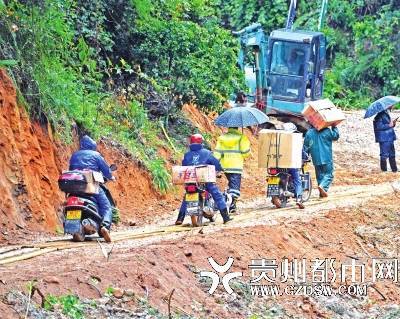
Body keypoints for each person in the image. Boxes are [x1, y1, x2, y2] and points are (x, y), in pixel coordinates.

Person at [175, 134, 231, 225]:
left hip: (191, 181)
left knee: (186, 197)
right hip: (205, 179)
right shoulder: (207, 153)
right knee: (217, 195)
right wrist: (220, 169)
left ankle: (180, 218)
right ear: (201, 142)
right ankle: (226, 217)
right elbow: (215, 163)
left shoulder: (186, 155)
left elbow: (184, 166)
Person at [69, 135, 113, 242]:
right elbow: (107, 172)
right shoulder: (96, 155)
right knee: (106, 207)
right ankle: (105, 226)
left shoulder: (74, 155)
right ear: (92, 146)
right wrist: (111, 176)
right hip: (90, 185)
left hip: (73, 187)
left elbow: (70, 169)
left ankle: (77, 226)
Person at [214, 127, 251, 213]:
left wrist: (215, 165)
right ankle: (231, 205)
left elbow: (217, 154)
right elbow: (245, 153)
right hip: (236, 166)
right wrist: (248, 148)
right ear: (237, 128)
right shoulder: (241, 137)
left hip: (225, 166)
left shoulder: (222, 138)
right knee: (235, 187)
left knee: (231, 184)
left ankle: (227, 201)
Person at [304, 125, 340, 198]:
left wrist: (305, 158)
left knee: (319, 176)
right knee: (329, 174)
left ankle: (322, 192)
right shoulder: (327, 131)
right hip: (326, 157)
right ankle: (323, 187)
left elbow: (305, 147)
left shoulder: (309, 133)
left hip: (315, 159)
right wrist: (334, 126)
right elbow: (335, 136)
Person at [280, 123, 307, 209]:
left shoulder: (279, 139)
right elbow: (302, 153)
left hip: (278, 164)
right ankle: (299, 198)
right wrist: (305, 157)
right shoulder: (296, 140)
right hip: (291, 164)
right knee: (297, 180)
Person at [373, 106, 397, 172]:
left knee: (392, 154)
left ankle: (394, 169)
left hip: (389, 137)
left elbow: (388, 125)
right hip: (384, 138)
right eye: (391, 105)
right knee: (384, 155)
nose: (392, 106)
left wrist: (393, 124)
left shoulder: (386, 113)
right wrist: (389, 125)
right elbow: (379, 126)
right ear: (387, 106)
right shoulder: (379, 115)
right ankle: (384, 170)